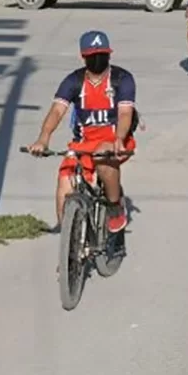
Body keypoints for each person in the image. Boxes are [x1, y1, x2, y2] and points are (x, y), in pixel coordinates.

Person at [27, 31, 137, 233]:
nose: (97, 59)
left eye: (101, 55)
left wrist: (119, 139)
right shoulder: (74, 81)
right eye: (92, 56)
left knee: (102, 157)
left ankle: (114, 207)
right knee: (64, 180)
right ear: (83, 57)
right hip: (82, 144)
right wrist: (43, 139)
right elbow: (57, 111)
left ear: (109, 55)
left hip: (115, 141)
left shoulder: (122, 79)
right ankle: (68, 239)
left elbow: (124, 114)